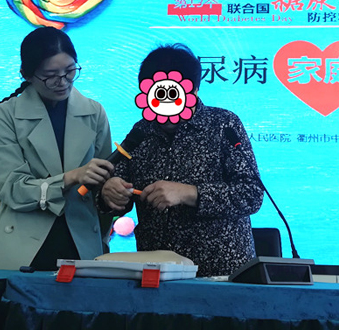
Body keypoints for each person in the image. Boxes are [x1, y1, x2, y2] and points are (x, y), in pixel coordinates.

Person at [100, 43, 264, 277]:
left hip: (221, 272)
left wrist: (189, 193)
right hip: (155, 273)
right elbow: (117, 197)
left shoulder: (224, 124)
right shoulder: (141, 131)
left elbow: (251, 194)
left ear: (194, 90)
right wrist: (110, 194)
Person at [0, 27, 115, 270]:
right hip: (21, 248)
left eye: (70, 71)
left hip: (81, 243)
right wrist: (71, 177)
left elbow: (102, 183)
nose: (63, 82)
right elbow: (12, 190)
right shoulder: (7, 114)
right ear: (26, 75)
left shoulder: (94, 112)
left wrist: (114, 189)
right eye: (50, 76)